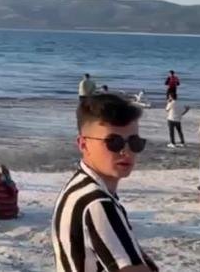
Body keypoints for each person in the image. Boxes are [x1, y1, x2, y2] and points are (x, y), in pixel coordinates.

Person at [52, 94, 157, 272]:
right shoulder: (97, 203)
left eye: (135, 142)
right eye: (113, 142)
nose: (126, 152)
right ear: (83, 144)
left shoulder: (79, 186)